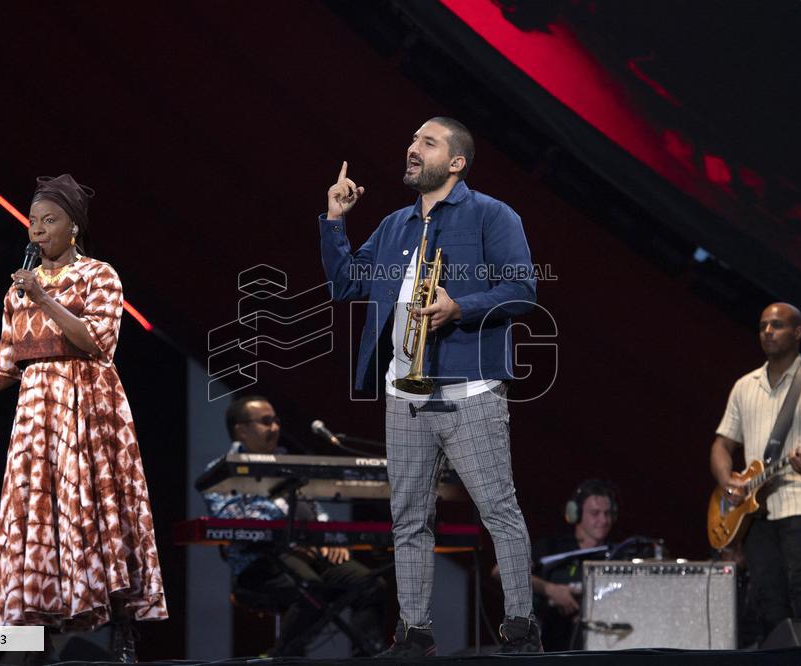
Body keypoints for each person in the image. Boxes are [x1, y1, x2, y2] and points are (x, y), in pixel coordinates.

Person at [319, 117, 540, 654]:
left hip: (470, 392)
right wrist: (335, 221)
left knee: (499, 512)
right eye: (414, 140)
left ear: (456, 162)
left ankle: (520, 627)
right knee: (409, 520)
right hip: (405, 397)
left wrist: (459, 307)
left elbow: (522, 290)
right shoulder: (394, 225)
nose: (412, 148)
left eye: (428, 142)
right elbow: (346, 284)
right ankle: (414, 632)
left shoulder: (491, 214)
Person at [0, 174, 167, 663]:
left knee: (97, 513)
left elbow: (96, 342)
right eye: (33, 221)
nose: (37, 230)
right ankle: (39, 634)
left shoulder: (99, 276)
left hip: (88, 405)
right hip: (37, 414)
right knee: (39, 517)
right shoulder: (17, 291)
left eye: (49, 220)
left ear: (73, 227)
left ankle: (122, 627)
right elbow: (11, 363)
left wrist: (43, 298)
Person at [202, 395, 385, 657]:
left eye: (276, 421)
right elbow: (230, 519)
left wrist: (329, 538)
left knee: (369, 583)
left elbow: (316, 511)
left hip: (310, 555)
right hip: (261, 562)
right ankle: (282, 658)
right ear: (241, 430)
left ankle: (367, 659)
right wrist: (292, 536)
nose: (275, 427)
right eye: (266, 422)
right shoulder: (222, 471)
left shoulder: (290, 465)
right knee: (310, 590)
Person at [710, 302, 801, 640]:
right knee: (767, 604)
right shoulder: (745, 386)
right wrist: (727, 481)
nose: (767, 331)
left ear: (798, 332)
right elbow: (722, 445)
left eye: (777, 325)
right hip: (756, 515)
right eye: (762, 326)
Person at [524, 480, 617, 651]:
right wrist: (550, 589)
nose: (603, 520)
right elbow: (501, 572)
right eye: (595, 513)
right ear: (575, 513)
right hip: (554, 646)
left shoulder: (617, 554)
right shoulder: (551, 547)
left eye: (607, 513)